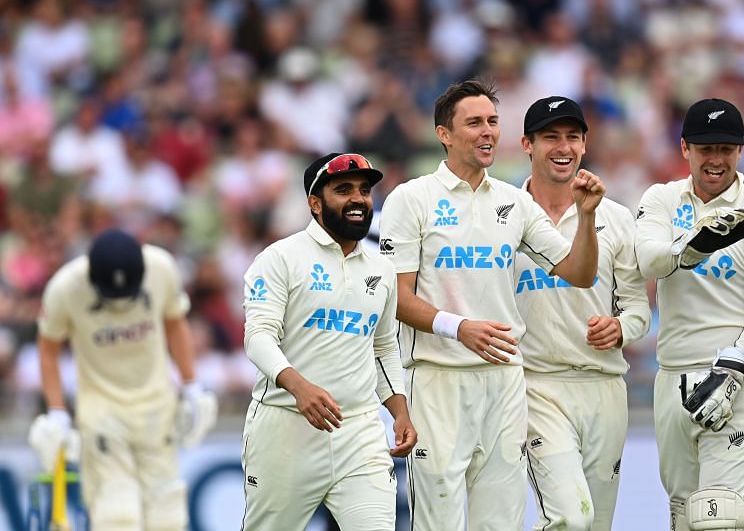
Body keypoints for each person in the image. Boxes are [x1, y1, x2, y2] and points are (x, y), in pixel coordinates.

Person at [378, 78, 605, 530]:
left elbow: (579, 274)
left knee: (500, 523)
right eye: (475, 123)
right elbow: (394, 299)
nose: (487, 132)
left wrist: (587, 215)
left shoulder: (514, 202)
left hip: (504, 382)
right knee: (439, 522)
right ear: (444, 134)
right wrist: (458, 327)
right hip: (439, 379)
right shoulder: (412, 198)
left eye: (493, 122)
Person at [634, 98, 744, 531]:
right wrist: (693, 246)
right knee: (684, 517)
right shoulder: (662, 199)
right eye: (706, 148)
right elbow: (648, 261)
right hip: (672, 378)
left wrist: (732, 366)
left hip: (736, 379)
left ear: (741, 151)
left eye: (726, 148)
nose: (716, 159)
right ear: (685, 148)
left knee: (719, 519)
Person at [241, 152, 417, 530]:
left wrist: (399, 411)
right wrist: (299, 387)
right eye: (343, 190)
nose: (358, 199)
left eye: (364, 190)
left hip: (359, 431)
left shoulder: (381, 270)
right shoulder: (280, 258)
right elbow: (257, 337)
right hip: (285, 428)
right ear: (315, 204)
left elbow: (383, 347)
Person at [514, 96, 651, 530]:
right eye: (550, 137)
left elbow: (636, 310)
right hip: (536, 385)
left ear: (585, 144)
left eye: (573, 137)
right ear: (527, 145)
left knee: (596, 525)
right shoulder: (503, 216)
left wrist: (619, 329)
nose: (563, 147)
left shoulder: (615, 216)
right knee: (571, 518)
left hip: (604, 387)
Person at [28, 228, 217, 529]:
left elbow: (175, 322)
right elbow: (48, 347)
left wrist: (192, 387)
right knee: (117, 515)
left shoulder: (161, 269)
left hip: (157, 406)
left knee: (167, 517)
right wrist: (57, 413)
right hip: (102, 411)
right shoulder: (65, 288)